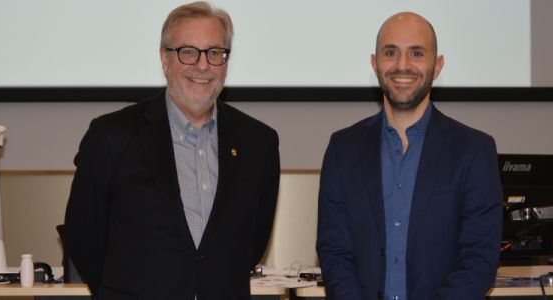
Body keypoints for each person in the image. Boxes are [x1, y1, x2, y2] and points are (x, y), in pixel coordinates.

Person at [64, 2, 280, 299]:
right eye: (188, 52)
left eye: (215, 52)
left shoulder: (260, 143)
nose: (203, 65)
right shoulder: (111, 136)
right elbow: (83, 236)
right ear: (165, 59)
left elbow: (252, 242)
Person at [316, 12, 502, 300]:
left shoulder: (474, 150)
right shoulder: (343, 149)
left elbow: (478, 261)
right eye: (391, 52)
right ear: (374, 63)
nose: (403, 65)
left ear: (437, 65)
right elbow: (334, 252)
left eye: (417, 53)